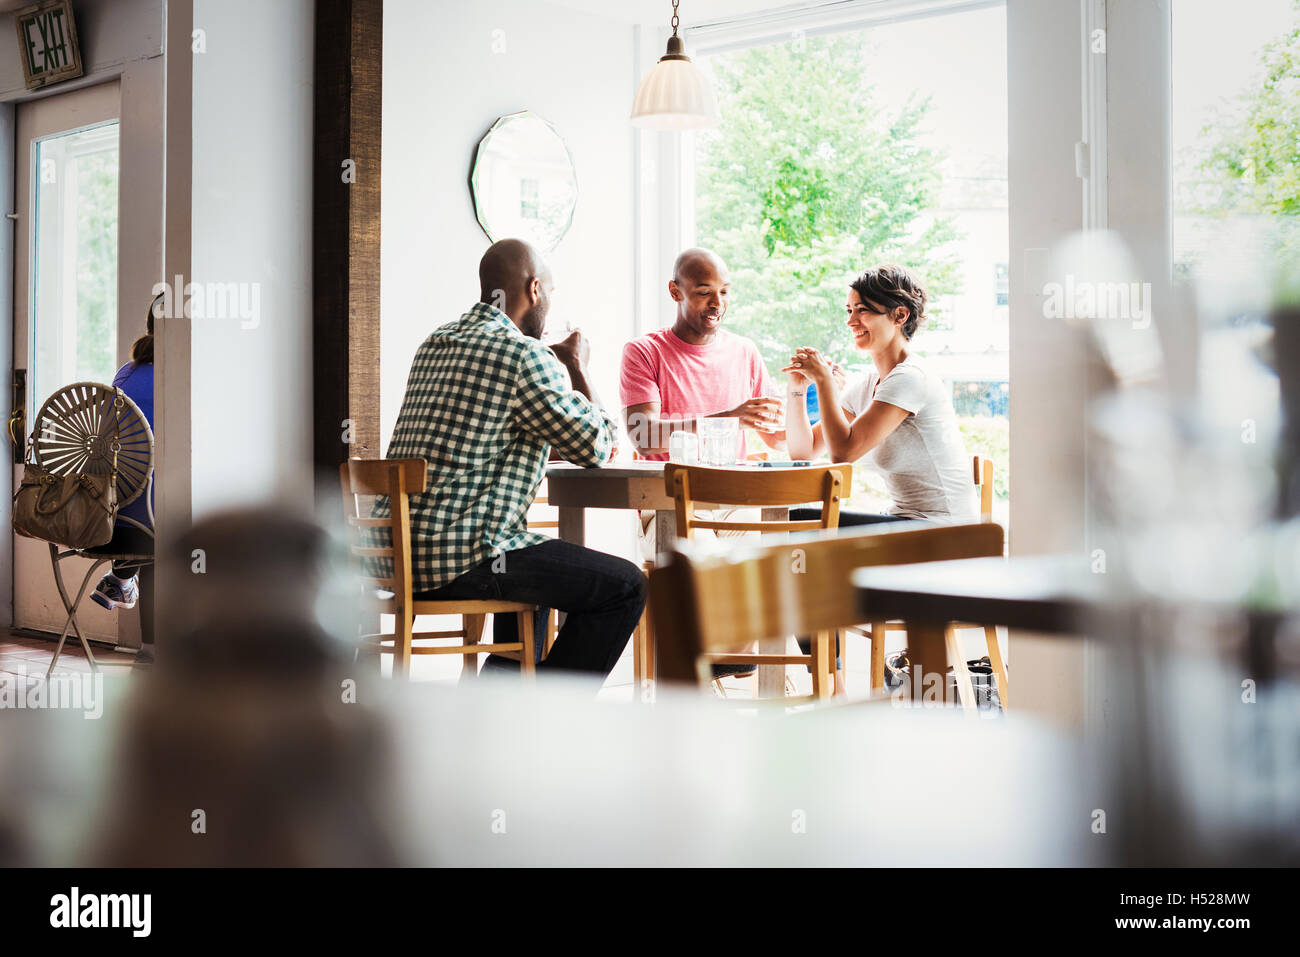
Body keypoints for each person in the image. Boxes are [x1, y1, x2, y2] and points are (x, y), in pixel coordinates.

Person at [370, 238, 645, 680]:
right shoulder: (524, 355)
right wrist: (577, 366)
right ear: (535, 289)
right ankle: (544, 721)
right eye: (551, 293)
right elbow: (597, 446)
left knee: (532, 564)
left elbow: (475, 435)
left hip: (391, 554)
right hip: (458, 557)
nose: (550, 306)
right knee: (626, 586)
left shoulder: (435, 343)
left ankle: (495, 713)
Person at [784, 264, 976, 694]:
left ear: (899, 316)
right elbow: (802, 450)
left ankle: (827, 684)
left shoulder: (910, 378)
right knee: (798, 529)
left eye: (863, 311)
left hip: (944, 538)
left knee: (801, 528)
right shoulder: (870, 380)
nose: (851, 321)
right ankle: (828, 680)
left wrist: (825, 386)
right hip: (908, 528)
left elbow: (845, 451)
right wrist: (798, 389)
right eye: (849, 310)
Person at [88, 295, 159, 657]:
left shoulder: (125, 372)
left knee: (146, 496)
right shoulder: (180, 374)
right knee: (171, 521)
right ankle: (122, 581)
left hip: (108, 516)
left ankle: (121, 578)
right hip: (148, 521)